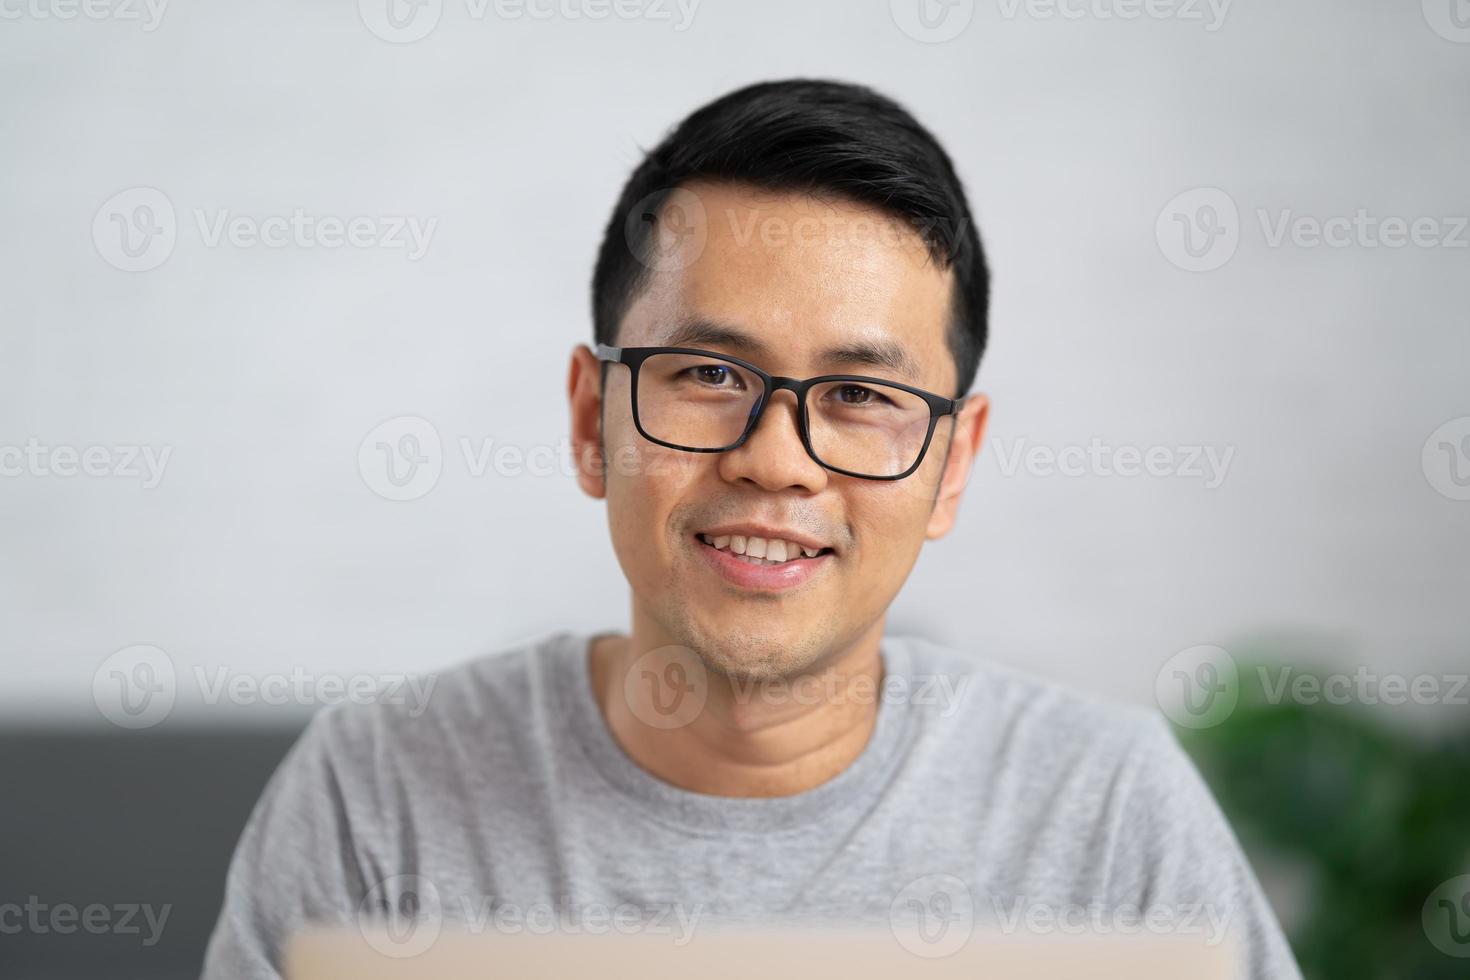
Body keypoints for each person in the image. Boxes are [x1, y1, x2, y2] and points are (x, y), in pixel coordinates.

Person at [202, 78, 1300, 979]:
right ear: (593, 421)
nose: (774, 458)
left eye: (862, 395)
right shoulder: (379, 796)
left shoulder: (1102, 808)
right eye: (709, 374)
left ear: (952, 463)